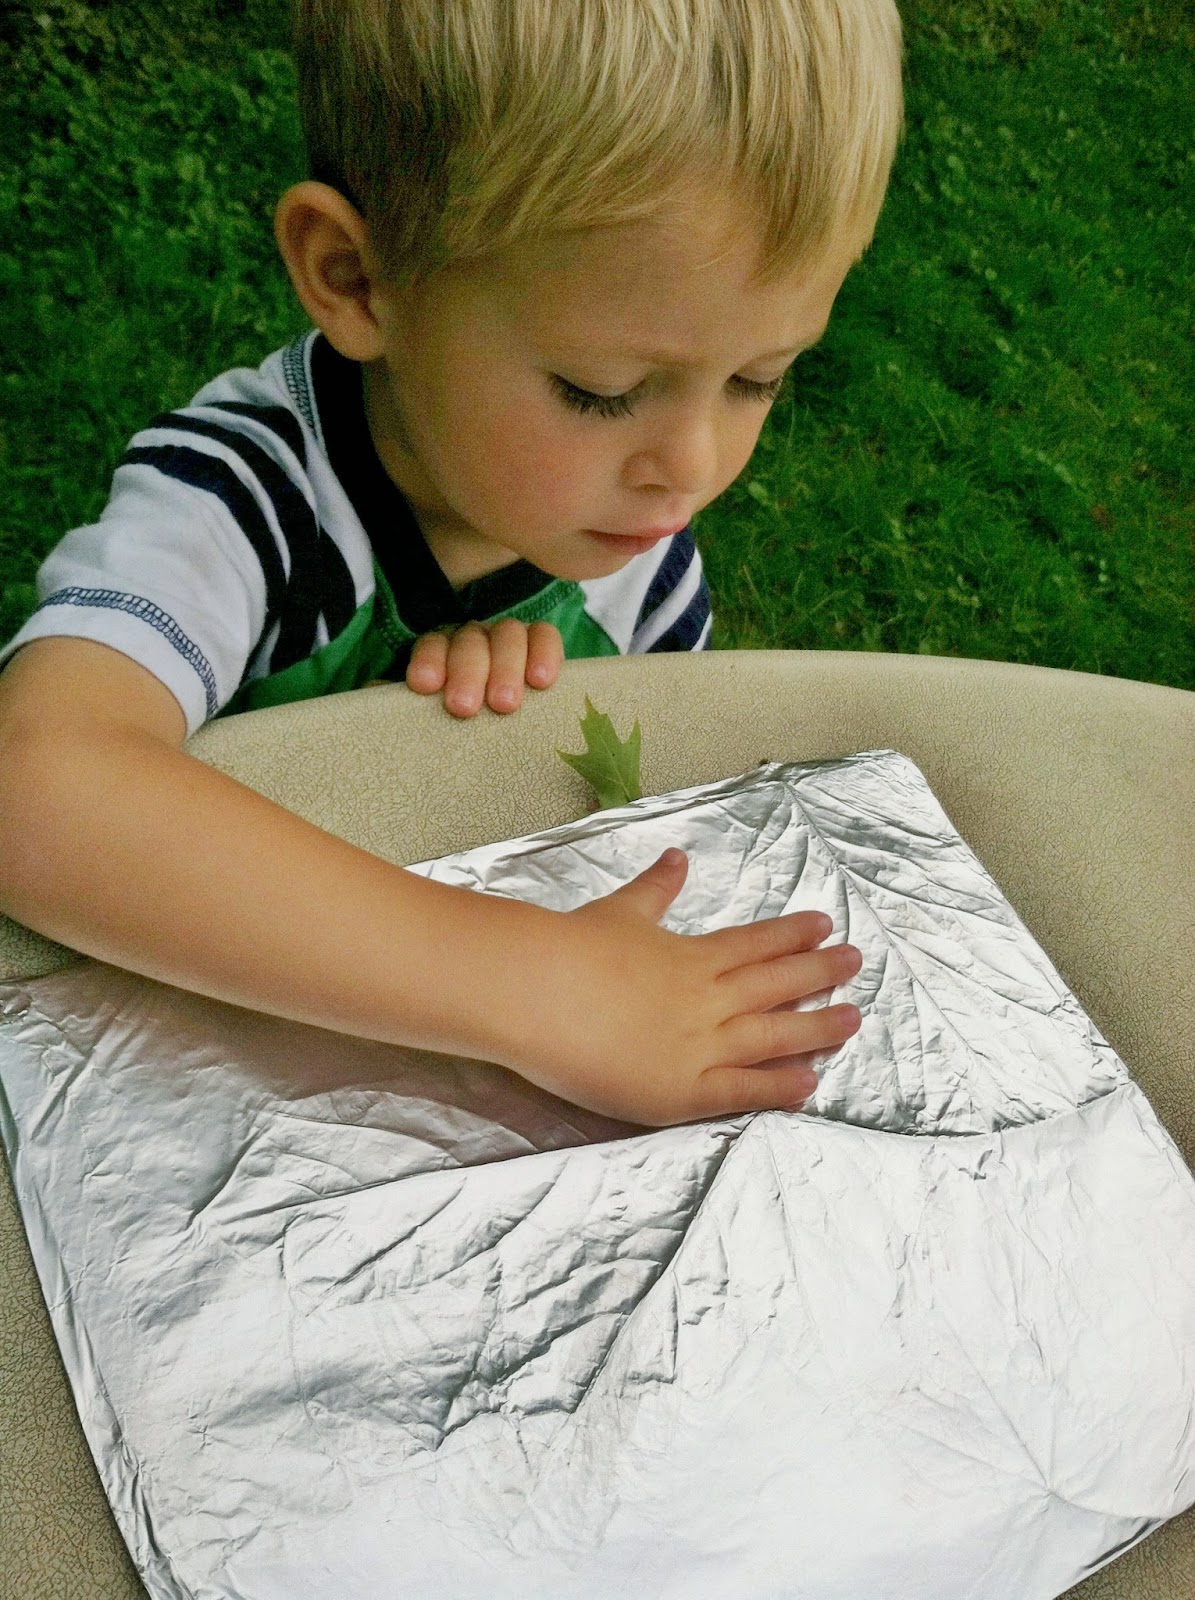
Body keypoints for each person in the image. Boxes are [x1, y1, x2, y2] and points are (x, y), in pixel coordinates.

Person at [0, 0, 903, 1126]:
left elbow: (656, 819)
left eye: (760, 378)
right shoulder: (248, 503)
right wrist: (537, 982)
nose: (690, 466)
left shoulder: (637, 569)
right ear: (356, 279)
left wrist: (529, 732)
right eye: (600, 389)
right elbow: (39, 787)